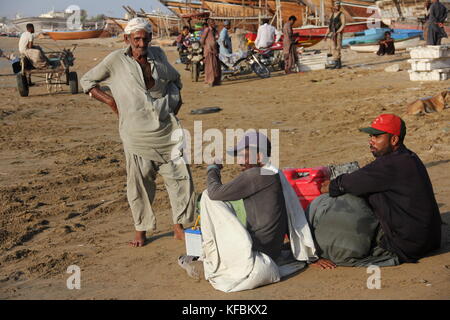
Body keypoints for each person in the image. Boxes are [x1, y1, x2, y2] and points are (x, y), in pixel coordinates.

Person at [80, 18, 196, 247]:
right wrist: (112, 102)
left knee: (180, 179)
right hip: (136, 133)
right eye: (137, 39)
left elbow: (175, 80)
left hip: (166, 131)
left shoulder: (158, 56)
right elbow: (87, 81)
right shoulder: (115, 61)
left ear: (150, 38)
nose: (141, 43)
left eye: (145, 38)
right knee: (140, 182)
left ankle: (178, 227)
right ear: (127, 39)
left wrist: (174, 103)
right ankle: (141, 231)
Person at [177, 132, 335, 291]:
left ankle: (202, 260)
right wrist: (305, 253)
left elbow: (214, 193)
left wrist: (213, 168)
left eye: (244, 156)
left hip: (258, 251)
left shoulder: (255, 175)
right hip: (272, 250)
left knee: (206, 197)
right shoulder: (272, 173)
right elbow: (288, 214)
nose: (239, 162)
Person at [322, 114, 442, 263]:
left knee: (346, 200)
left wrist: (329, 186)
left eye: (377, 136)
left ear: (393, 140)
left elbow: (346, 184)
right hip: (430, 239)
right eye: (371, 136)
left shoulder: (389, 164)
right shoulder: (408, 156)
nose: (371, 141)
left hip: (407, 246)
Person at [200, 19, 221, 87]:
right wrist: (206, 46)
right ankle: (210, 81)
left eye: (214, 22)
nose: (214, 23)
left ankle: (215, 81)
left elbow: (217, 37)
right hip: (209, 51)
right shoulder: (207, 30)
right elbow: (202, 40)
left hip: (214, 50)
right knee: (210, 67)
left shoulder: (214, 30)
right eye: (212, 23)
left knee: (215, 66)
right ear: (209, 23)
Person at [325, 2, 346, 69]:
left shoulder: (341, 14)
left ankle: (338, 64)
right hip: (332, 33)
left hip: (338, 33)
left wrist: (338, 31)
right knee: (333, 48)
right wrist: (326, 35)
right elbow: (329, 26)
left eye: (338, 6)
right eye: (336, 6)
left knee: (338, 47)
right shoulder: (331, 14)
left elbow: (343, 24)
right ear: (333, 6)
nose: (337, 7)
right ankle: (336, 63)